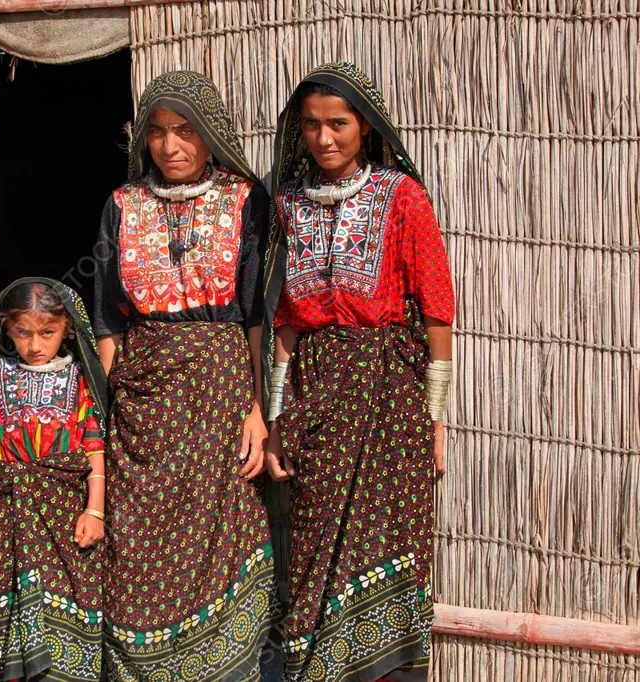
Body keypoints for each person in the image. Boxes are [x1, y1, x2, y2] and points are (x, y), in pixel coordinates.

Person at [262, 62, 455, 682]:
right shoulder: (288, 201)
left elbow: (435, 310)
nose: (325, 138)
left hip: (389, 395)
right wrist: (274, 417)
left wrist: (436, 417)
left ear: (366, 128)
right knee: (316, 548)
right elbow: (286, 323)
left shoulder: (402, 197)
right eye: (313, 125)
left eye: (339, 124)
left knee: (387, 547)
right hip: (316, 392)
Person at [92, 70, 276, 681]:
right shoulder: (123, 206)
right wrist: (106, 410)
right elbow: (107, 318)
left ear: (211, 136)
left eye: (186, 131)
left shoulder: (245, 201)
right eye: (159, 133)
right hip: (142, 406)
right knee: (136, 543)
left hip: (221, 399)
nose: (170, 146)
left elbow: (256, 316)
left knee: (222, 537)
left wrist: (257, 408)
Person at [0, 278, 108, 682]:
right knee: (2, 604)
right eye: (23, 333)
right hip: (4, 509)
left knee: (63, 604)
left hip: (63, 515)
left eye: (47, 333)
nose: (35, 345)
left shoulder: (80, 380)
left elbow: (95, 449)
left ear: (66, 330)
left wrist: (94, 511)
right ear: (7, 328)